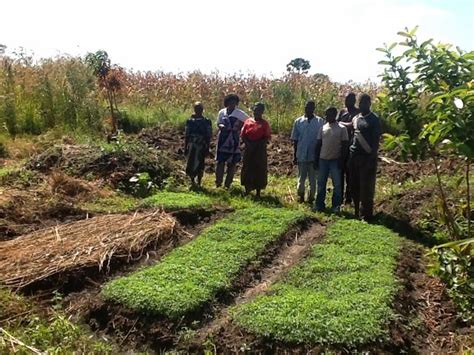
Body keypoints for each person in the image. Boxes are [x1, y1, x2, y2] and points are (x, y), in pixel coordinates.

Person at [349, 94, 381, 221]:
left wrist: (371, 158)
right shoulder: (356, 118)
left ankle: (366, 214)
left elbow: (375, 141)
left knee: (366, 187)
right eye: (360, 102)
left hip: (367, 157)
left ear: (369, 103)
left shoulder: (374, 119)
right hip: (354, 156)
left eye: (365, 102)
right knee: (354, 185)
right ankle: (356, 211)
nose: (362, 105)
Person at [314, 107, 349, 212]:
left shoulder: (342, 128)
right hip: (323, 159)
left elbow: (345, 145)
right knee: (321, 184)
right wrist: (316, 160)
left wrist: (342, 160)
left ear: (334, 115)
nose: (327, 116)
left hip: (335, 160)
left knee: (337, 185)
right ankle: (319, 205)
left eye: (329, 114)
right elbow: (318, 145)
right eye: (326, 114)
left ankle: (336, 206)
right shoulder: (323, 128)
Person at [290, 100, 324, 204]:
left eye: (310, 107)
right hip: (301, 154)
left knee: (313, 180)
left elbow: (322, 140)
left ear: (314, 109)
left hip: (314, 156)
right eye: (306, 107)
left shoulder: (320, 121)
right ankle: (300, 196)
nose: (308, 109)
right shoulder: (298, 121)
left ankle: (311, 198)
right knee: (301, 178)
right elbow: (295, 139)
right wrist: (295, 155)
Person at [215, 94, 248, 188]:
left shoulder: (240, 113)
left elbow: (248, 122)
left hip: (234, 140)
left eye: (234, 102)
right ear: (227, 103)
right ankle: (218, 183)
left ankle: (227, 184)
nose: (232, 104)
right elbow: (218, 123)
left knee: (232, 163)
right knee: (220, 161)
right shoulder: (222, 112)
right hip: (222, 139)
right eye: (230, 102)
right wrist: (221, 126)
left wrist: (239, 128)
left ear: (236, 103)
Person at [241, 102, 271, 197]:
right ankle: (247, 189)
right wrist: (248, 144)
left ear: (262, 111)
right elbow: (243, 135)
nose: (256, 112)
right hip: (249, 148)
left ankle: (258, 191)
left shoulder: (264, 123)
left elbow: (266, 137)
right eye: (255, 110)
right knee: (247, 168)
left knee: (259, 169)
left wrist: (258, 145)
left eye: (258, 110)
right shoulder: (248, 121)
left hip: (260, 149)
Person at [337, 92, 360, 204]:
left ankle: (348, 197)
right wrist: (344, 124)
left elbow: (352, 125)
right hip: (340, 145)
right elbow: (335, 123)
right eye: (346, 99)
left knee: (350, 173)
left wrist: (342, 124)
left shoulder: (357, 112)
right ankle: (339, 196)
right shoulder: (342, 111)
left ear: (354, 100)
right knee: (339, 172)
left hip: (352, 145)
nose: (347, 102)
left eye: (349, 99)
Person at [184, 102, 212, 186]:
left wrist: (207, 147)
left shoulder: (207, 121)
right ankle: (192, 180)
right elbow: (187, 135)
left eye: (199, 109)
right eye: (197, 109)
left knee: (200, 163)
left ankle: (199, 181)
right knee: (191, 162)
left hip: (201, 145)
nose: (198, 110)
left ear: (202, 110)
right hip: (192, 144)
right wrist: (186, 146)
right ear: (194, 110)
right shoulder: (190, 121)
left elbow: (208, 135)